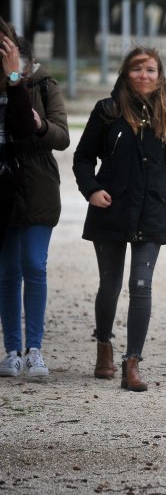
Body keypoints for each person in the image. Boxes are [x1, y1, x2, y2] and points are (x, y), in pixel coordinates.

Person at [73, 46, 166, 392]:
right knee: (110, 284)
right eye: (137, 69)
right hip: (111, 207)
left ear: (160, 76)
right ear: (126, 73)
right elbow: (82, 158)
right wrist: (92, 190)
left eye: (151, 70)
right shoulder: (107, 111)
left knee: (141, 286)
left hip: (153, 208)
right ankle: (104, 346)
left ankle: (133, 361)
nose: (144, 75)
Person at [0, 19, 41, 376]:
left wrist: (14, 78)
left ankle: (22, 348)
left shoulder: (17, 85)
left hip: (9, 189)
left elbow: (26, 131)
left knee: (19, 269)